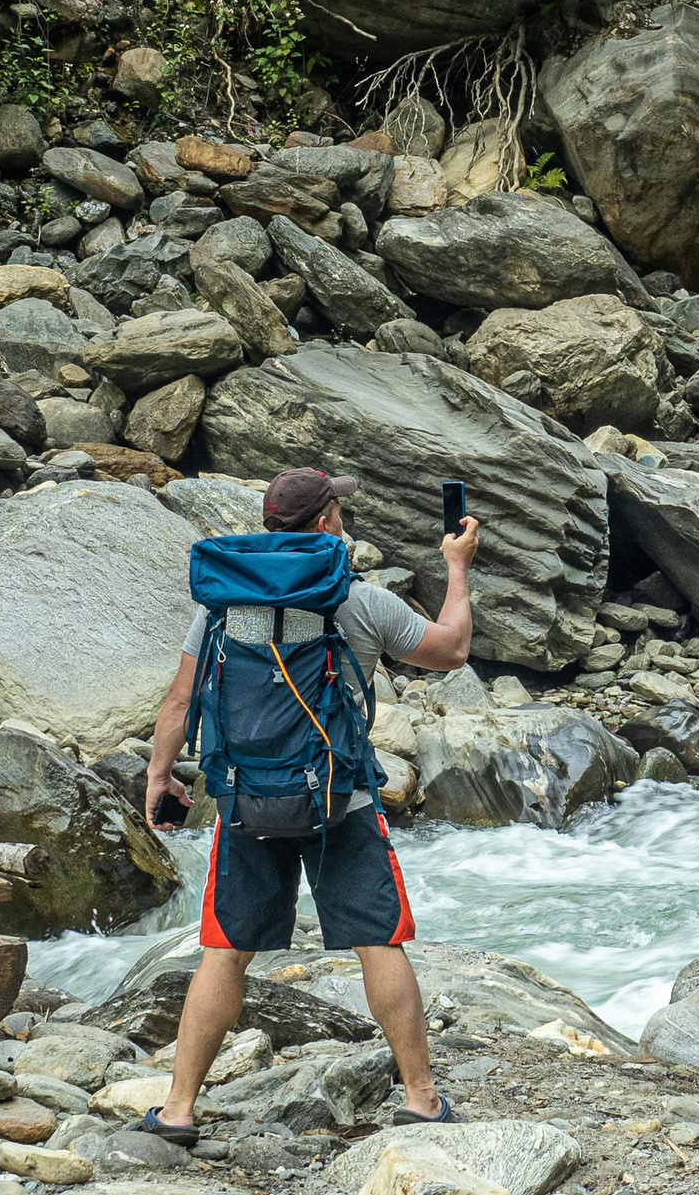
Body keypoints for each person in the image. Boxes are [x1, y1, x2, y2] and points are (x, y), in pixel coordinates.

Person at [141, 463, 479, 1143]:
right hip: (340, 802)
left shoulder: (219, 604)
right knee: (377, 941)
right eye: (339, 510)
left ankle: (177, 1109)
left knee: (225, 951)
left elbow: (180, 700)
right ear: (326, 521)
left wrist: (158, 775)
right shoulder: (355, 599)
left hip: (244, 801)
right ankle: (421, 1098)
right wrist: (458, 566)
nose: (343, 518)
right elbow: (453, 649)